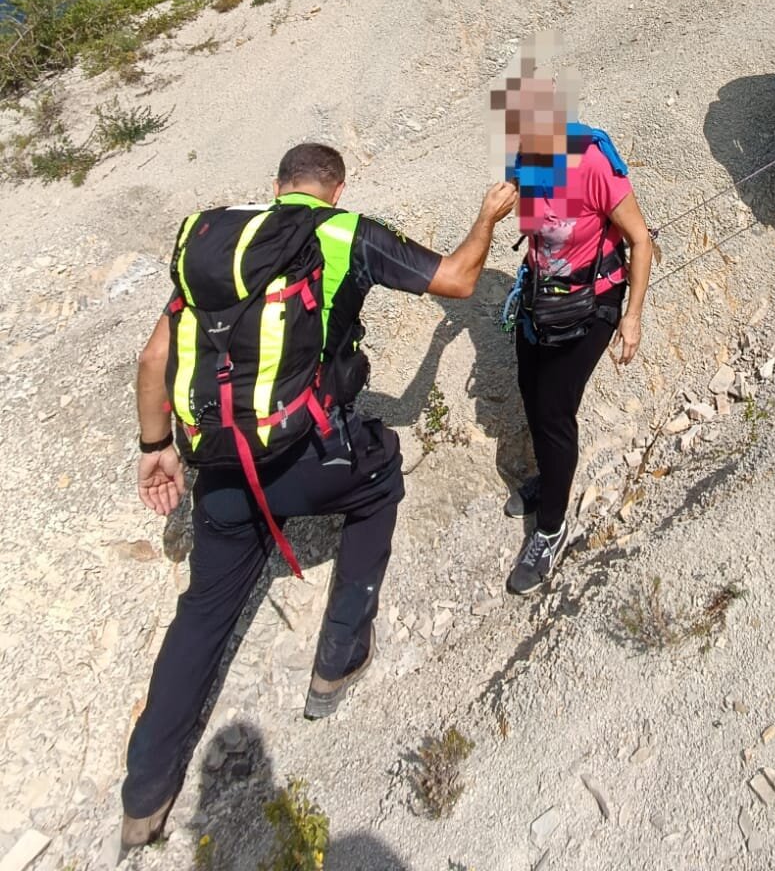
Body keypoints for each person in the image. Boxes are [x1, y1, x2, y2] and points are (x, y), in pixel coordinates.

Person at [120, 143, 516, 856]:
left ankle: (144, 797)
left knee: (204, 610)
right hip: (310, 458)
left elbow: (155, 357)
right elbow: (457, 279)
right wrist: (487, 214)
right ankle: (338, 657)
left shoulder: (219, 248)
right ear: (336, 188)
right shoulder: (342, 234)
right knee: (382, 479)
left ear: (277, 187)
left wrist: (157, 448)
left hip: (220, 470)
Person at [497, 71, 653, 594]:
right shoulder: (521, 159)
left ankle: (551, 529)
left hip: (593, 302)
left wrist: (631, 318)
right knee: (530, 392)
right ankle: (551, 478)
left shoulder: (591, 161)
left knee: (553, 409)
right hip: (542, 296)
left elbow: (640, 239)